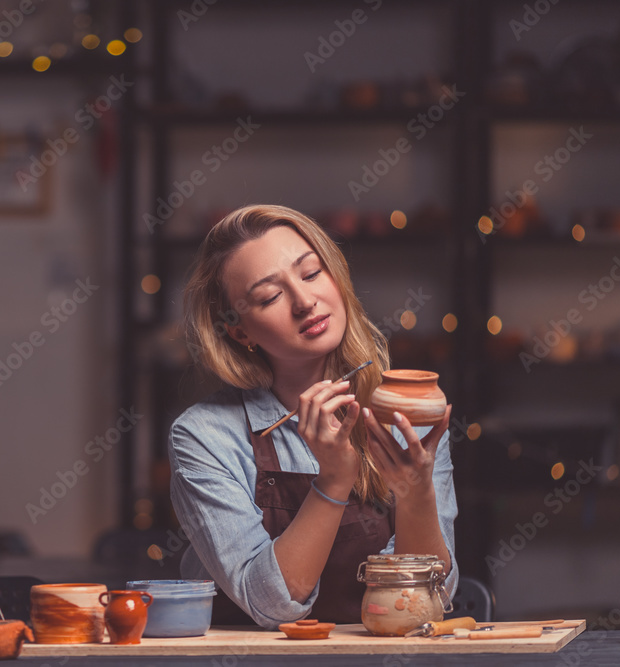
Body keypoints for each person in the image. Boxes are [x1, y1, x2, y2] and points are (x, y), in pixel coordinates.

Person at [168, 204, 458, 628]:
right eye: (270, 297)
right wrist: (333, 480)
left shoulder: (405, 411)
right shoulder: (204, 436)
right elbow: (271, 605)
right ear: (240, 332)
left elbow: (432, 595)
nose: (305, 301)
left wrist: (415, 493)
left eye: (310, 273)